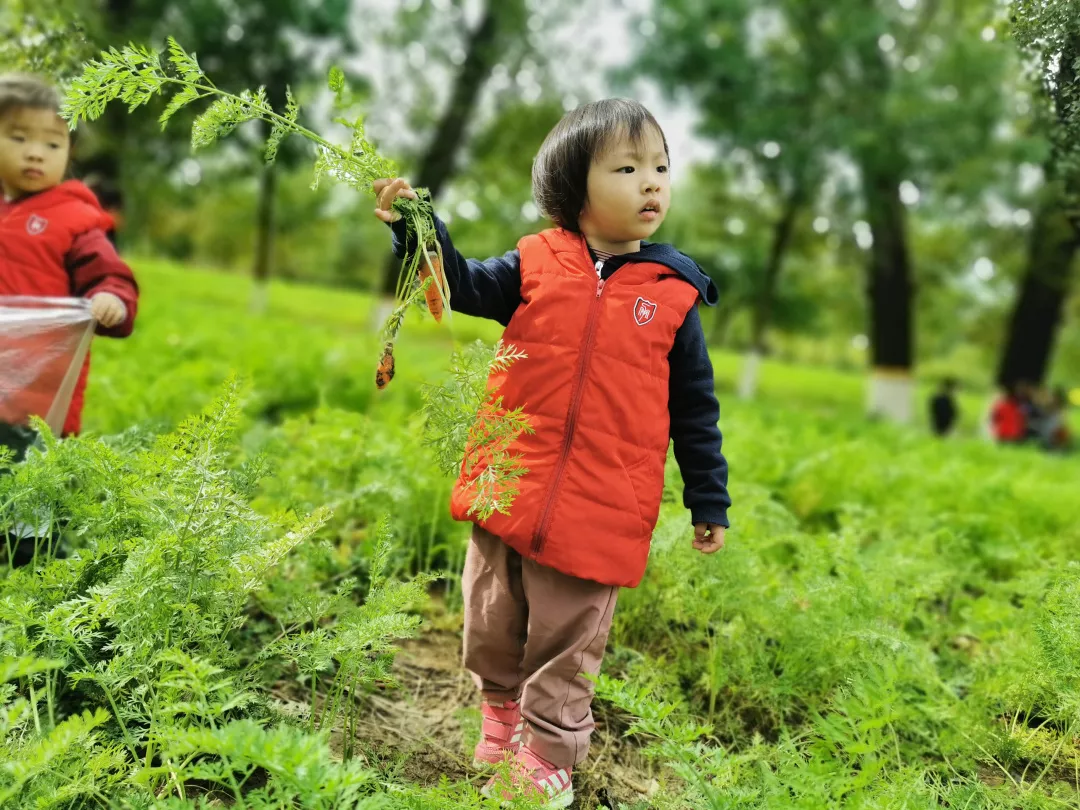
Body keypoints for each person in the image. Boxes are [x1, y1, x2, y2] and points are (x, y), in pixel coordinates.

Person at [374, 99, 731, 807]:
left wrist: (708, 496)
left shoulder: (673, 295)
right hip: (511, 481)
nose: (652, 183)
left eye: (661, 167)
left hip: (601, 505)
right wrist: (419, 228)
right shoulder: (536, 262)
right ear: (573, 188)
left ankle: (547, 754)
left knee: (568, 643)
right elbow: (464, 284)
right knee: (490, 620)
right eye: (628, 169)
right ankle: (500, 713)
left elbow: (695, 409)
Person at [0, 73, 139, 439]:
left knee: (23, 482)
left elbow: (109, 273)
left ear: (68, 152)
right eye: (19, 138)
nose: (35, 152)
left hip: (38, 397)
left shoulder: (76, 221)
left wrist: (112, 297)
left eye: (52, 144)